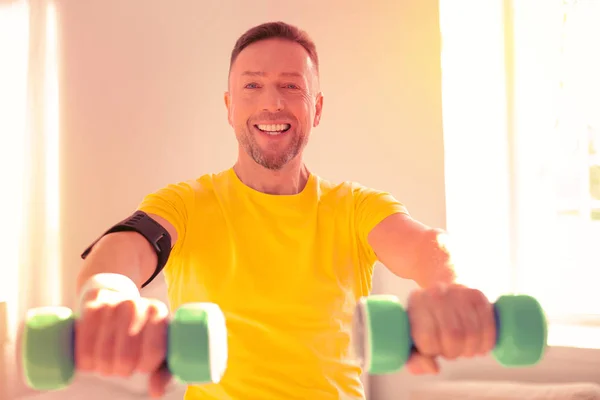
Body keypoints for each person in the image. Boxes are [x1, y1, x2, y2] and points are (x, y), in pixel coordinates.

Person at [75, 21, 496, 399]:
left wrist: (449, 287)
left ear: (317, 109)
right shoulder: (185, 203)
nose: (272, 103)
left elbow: (426, 245)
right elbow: (128, 247)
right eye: (252, 86)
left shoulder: (355, 207)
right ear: (229, 106)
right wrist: (107, 293)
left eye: (292, 86)